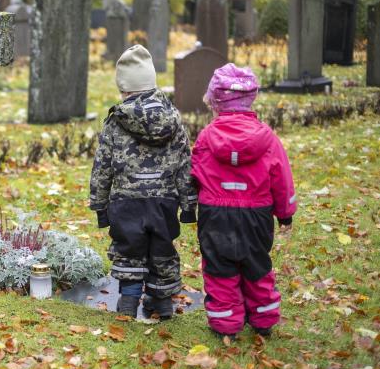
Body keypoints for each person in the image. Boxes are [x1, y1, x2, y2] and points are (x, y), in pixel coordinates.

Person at [90, 45, 197, 320]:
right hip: (164, 201)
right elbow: (184, 162)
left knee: (129, 249)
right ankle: (160, 302)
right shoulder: (173, 119)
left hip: (126, 201)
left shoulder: (116, 121)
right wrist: (188, 205)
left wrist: (100, 205)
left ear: (124, 88)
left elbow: (103, 165)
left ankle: (128, 301)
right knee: (161, 249)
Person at [191, 63, 296, 339]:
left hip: (216, 214)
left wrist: (190, 205)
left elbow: (195, 173)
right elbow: (281, 176)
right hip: (256, 214)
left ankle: (225, 324)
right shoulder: (267, 138)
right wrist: (285, 212)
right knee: (256, 264)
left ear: (216, 101)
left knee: (219, 268)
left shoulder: (206, 137)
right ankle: (263, 319)